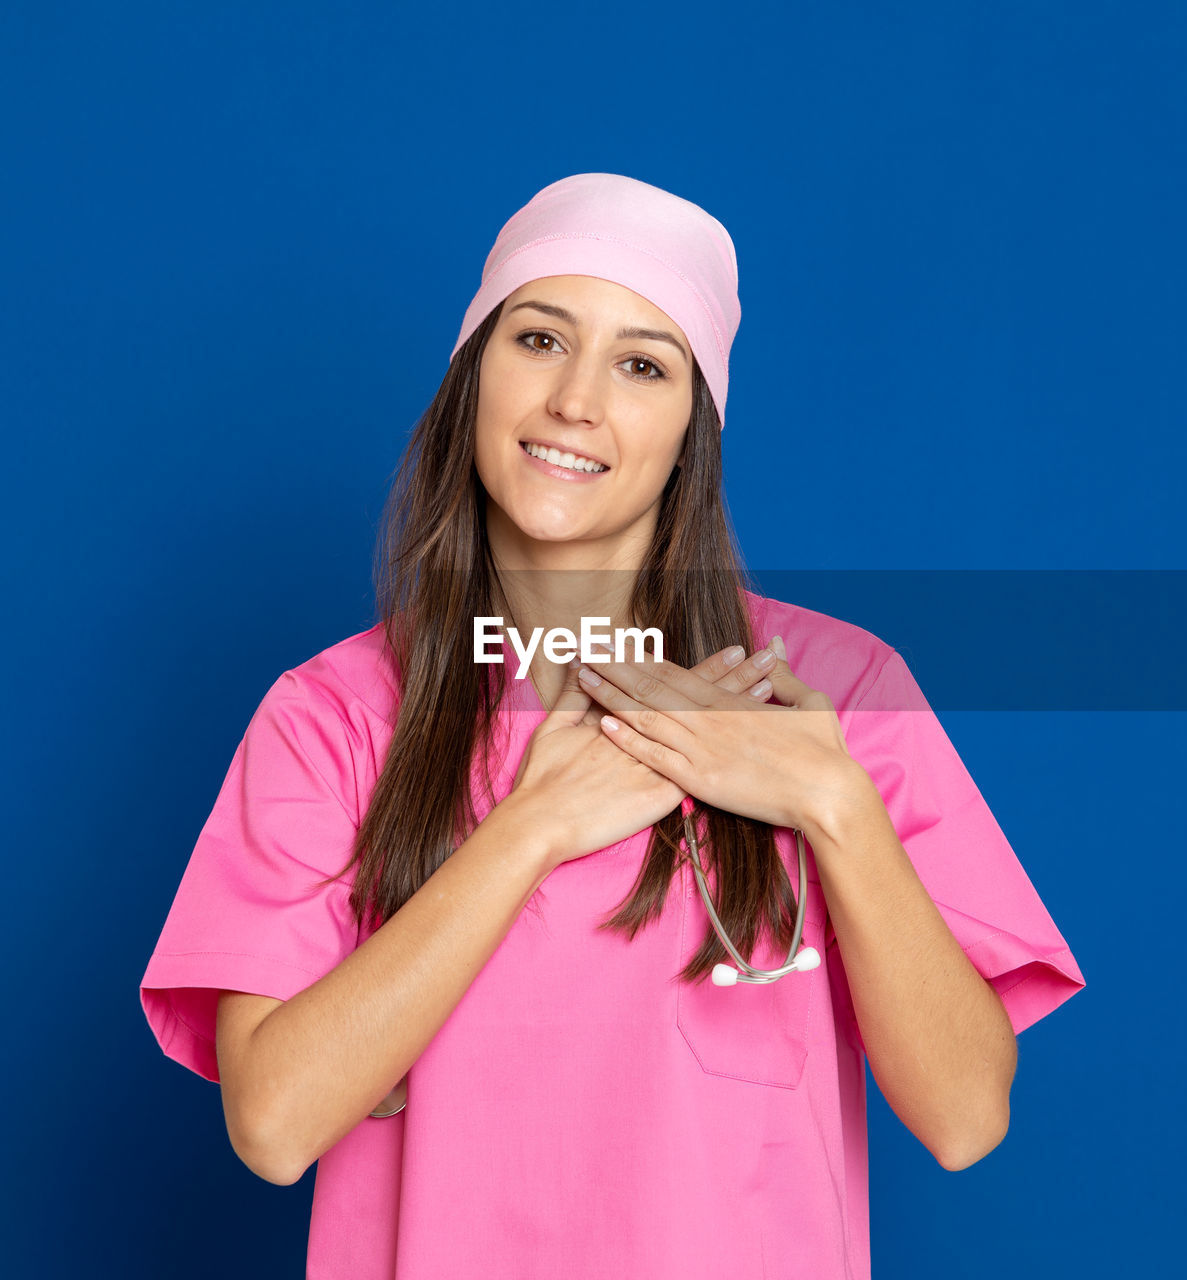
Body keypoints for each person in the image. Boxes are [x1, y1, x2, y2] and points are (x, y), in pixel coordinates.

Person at [139, 173, 1085, 1279]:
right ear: (471, 375)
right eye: (539, 339)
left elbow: (966, 1114)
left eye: (642, 363)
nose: (576, 401)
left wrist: (833, 803)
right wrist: (528, 828)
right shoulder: (334, 717)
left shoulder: (831, 686)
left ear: (694, 425)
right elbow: (275, 1121)